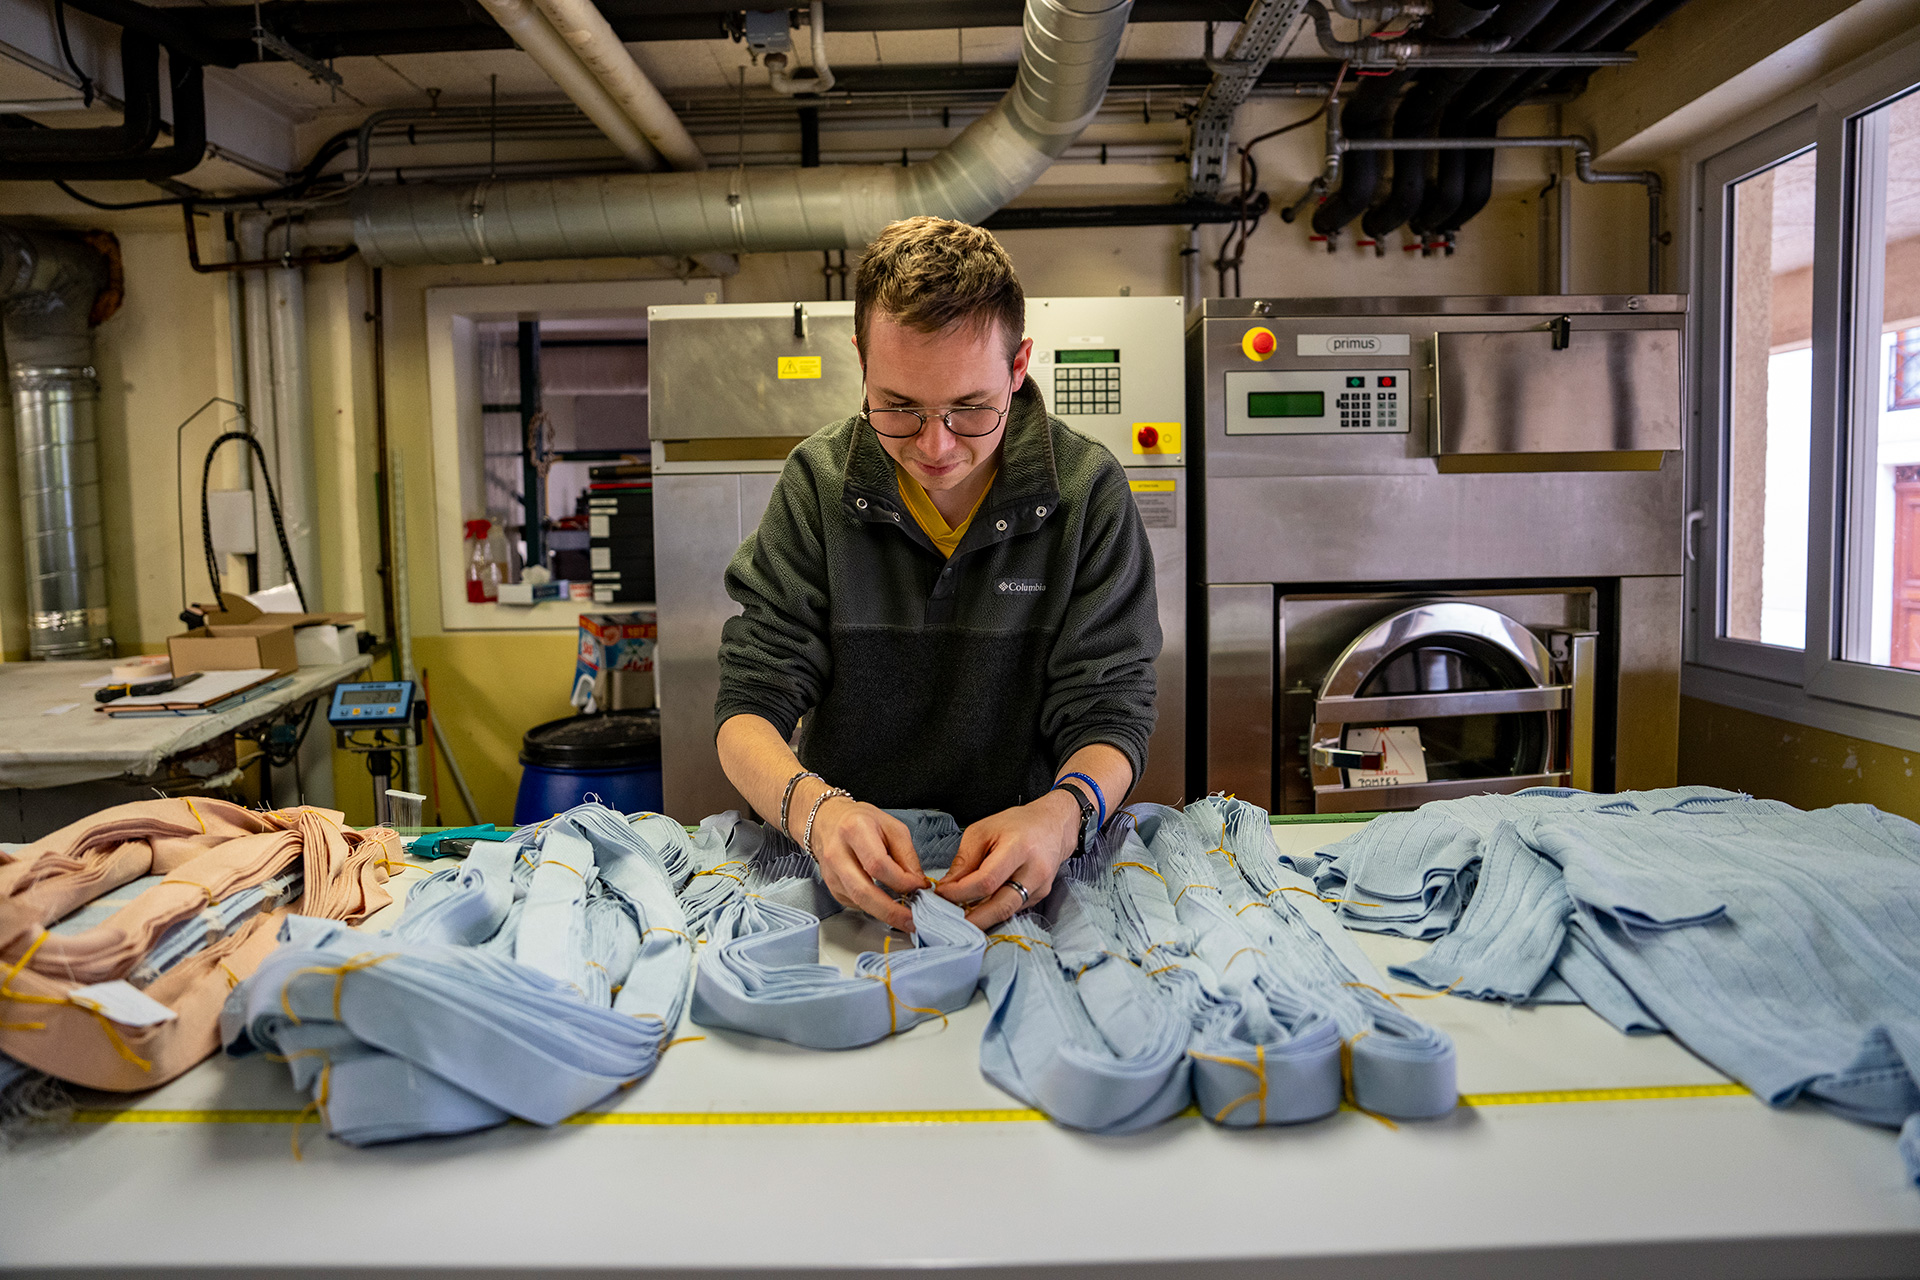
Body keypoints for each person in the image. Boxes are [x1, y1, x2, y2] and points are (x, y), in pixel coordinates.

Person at [714, 216, 1160, 932]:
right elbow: (747, 704)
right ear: (861, 361)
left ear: (1018, 367)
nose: (935, 445)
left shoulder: (1087, 493)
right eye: (898, 407)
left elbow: (1112, 710)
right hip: (848, 872)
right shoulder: (817, 485)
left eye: (969, 408)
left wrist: (1061, 816)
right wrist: (817, 814)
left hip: (1031, 873)